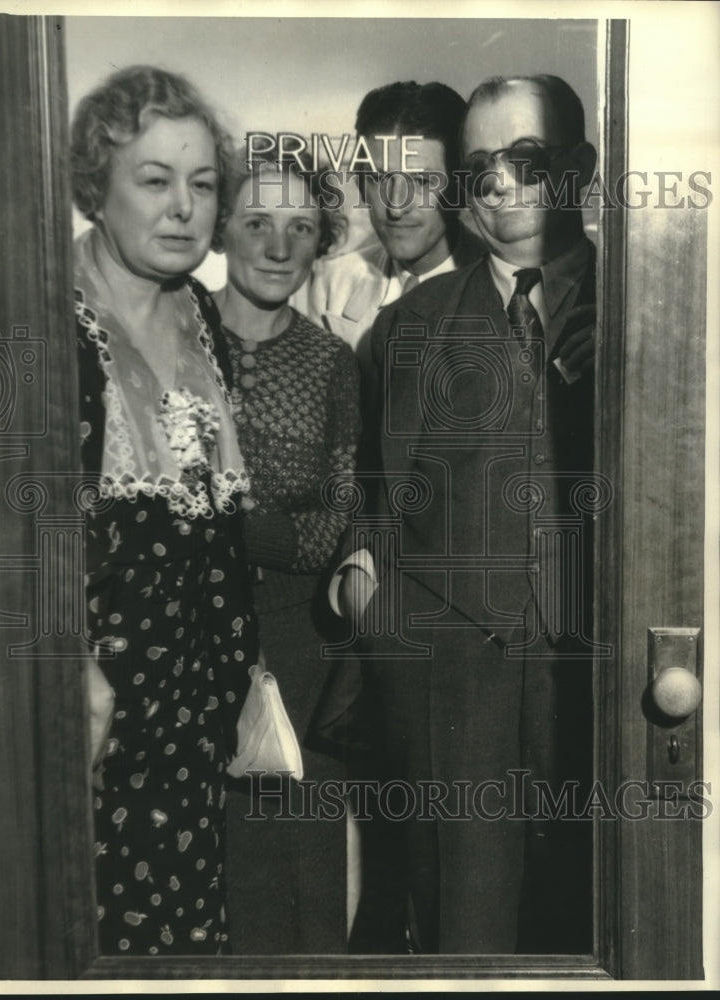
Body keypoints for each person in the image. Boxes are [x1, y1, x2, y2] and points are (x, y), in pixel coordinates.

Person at [332, 74, 599, 954]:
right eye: (479, 167)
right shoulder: (405, 330)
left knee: (608, 923)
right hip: (451, 691)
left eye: (524, 160)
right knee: (463, 936)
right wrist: (371, 605)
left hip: (595, 678)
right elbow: (375, 495)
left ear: (577, 169)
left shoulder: (649, 307)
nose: (498, 186)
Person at [72, 65, 260, 957]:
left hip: (191, 719)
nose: (183, 207)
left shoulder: (200, 321)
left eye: (202, 183)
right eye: (153, 180)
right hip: (91, 717)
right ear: (94, 191)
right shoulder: (47, 320)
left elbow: (201, 516)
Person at [212, 154, 360, 954]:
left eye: (300, 226)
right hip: (184, 638)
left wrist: (226, 528)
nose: (278, 245)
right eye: (258, 222)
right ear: (221, 229)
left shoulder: (332, 363)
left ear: (321, 241)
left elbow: (335, 524)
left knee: (297, 891)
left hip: (297, 651)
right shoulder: (166, 338)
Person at [308, 80, 485, 358]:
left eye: (422, 181)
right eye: (379, 179)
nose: (396, 207)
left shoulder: (507, 288)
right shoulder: (333, 282)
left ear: (460, 188)